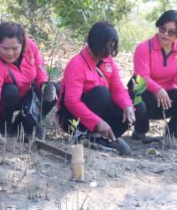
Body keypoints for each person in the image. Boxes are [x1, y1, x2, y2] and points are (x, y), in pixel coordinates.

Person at [57, 21, 134, 155]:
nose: (109, 50)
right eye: (107, 46)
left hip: (100, 114)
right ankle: (83, 135)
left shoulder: (109, 61)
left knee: (137, 107)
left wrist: (127, 106)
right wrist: (97, 122)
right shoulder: (76, 64)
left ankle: (102, 138)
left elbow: (118, 89)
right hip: (72, 117)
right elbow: (71, 102)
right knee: (101, 93)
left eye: (111, 46)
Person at [0, 22, 59, 138]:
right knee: (10, 91)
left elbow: (40, 69)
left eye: (15, 48)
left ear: (22, 44)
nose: (10, 53)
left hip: (22, 95)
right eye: (5, 48)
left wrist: (45, 85)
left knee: (54, 89)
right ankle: (3, 124)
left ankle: (25, 124)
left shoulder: (31, 47)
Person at [131, 10, 177, 146]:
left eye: (171, 32)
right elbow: (142, 77)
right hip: (148, 99)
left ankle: (175, 133)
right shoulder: (144, 47)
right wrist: (158, 90)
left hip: (169, 101)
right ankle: (140, 131)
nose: (165, 34)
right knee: (138, 89)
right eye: (162, 29)